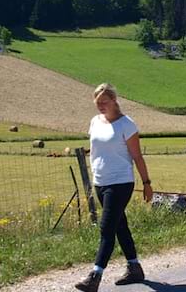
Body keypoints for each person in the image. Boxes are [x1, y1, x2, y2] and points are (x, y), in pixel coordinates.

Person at [75, 84, 152, 292]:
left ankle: (95, 275)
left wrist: (147, 184)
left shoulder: (127, 124)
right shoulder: (94, 122)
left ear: (114, 101)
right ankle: (134, 267)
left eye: (104, 102)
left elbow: (137, 156)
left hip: (120, 182)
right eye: (97, 102)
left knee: (106, 228)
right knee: (119, 225)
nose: (100, 106)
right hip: (100, 182)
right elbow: (97, 149)